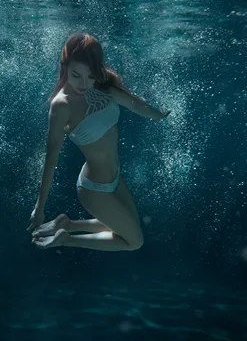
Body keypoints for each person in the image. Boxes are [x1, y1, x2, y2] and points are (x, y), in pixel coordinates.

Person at [26, 33, 171, 251]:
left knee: (127, 226)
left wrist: (157, 115)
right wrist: (40, 207)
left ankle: (67, 224)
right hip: (94, 190)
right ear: (64, 67)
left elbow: (134, 104)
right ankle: (66, 238)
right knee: (134, 241)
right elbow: (51, 157)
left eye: (90, 76)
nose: (84, 84)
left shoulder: (102, 86)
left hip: (114, 177)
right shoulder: (61, 105)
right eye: (76, 75)